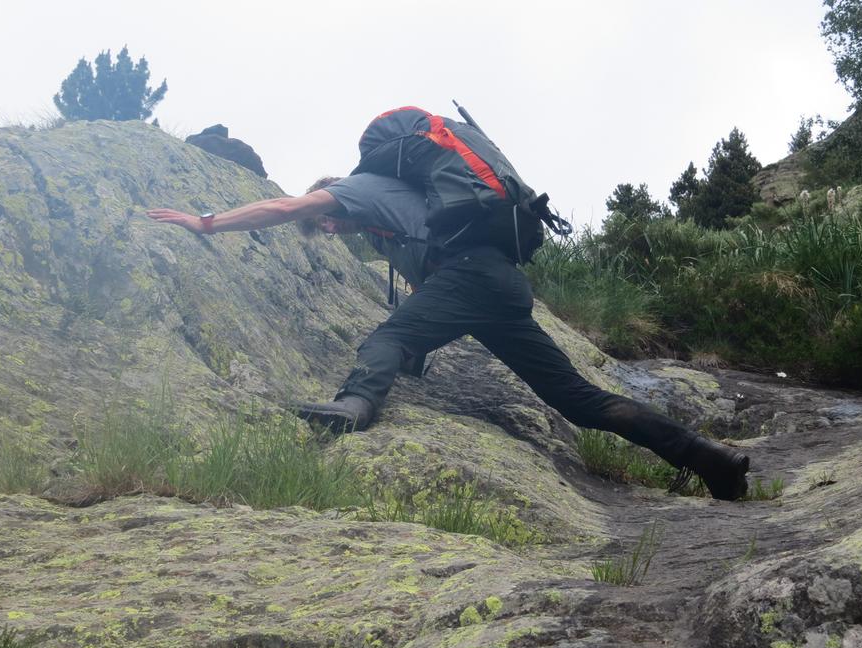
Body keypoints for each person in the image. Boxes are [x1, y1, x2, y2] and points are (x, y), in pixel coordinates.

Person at [147, 174, 751, 500]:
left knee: (382, 337)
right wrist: (416, 353)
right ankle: (710, 461)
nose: (328, 226)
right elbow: (434, 302)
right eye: (324, 226)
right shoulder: (398, 222)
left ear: (330, 196)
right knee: (579, 401)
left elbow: (281, 208)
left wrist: (205, 224)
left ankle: (355, 405)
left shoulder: (360, 187)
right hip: (499, 287)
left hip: (474, 279)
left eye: (324, 219)